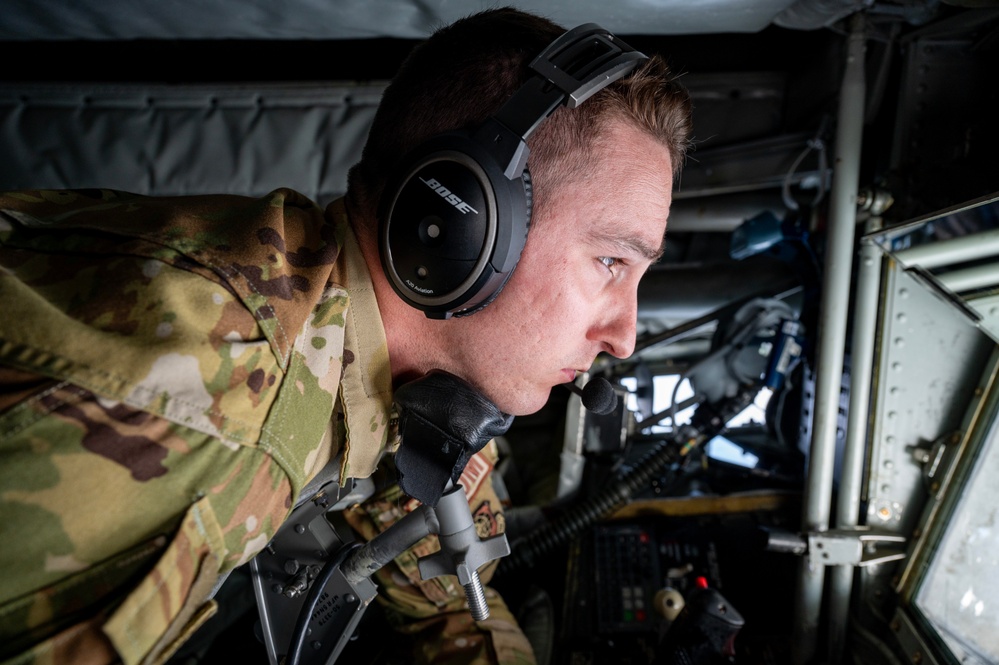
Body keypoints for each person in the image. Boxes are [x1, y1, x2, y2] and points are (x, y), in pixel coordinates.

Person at [0, 6, 692, 664]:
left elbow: (449, 599)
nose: (623, 335)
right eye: (610, 262)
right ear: (460, 222)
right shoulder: (208, 393)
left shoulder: (405, 380)